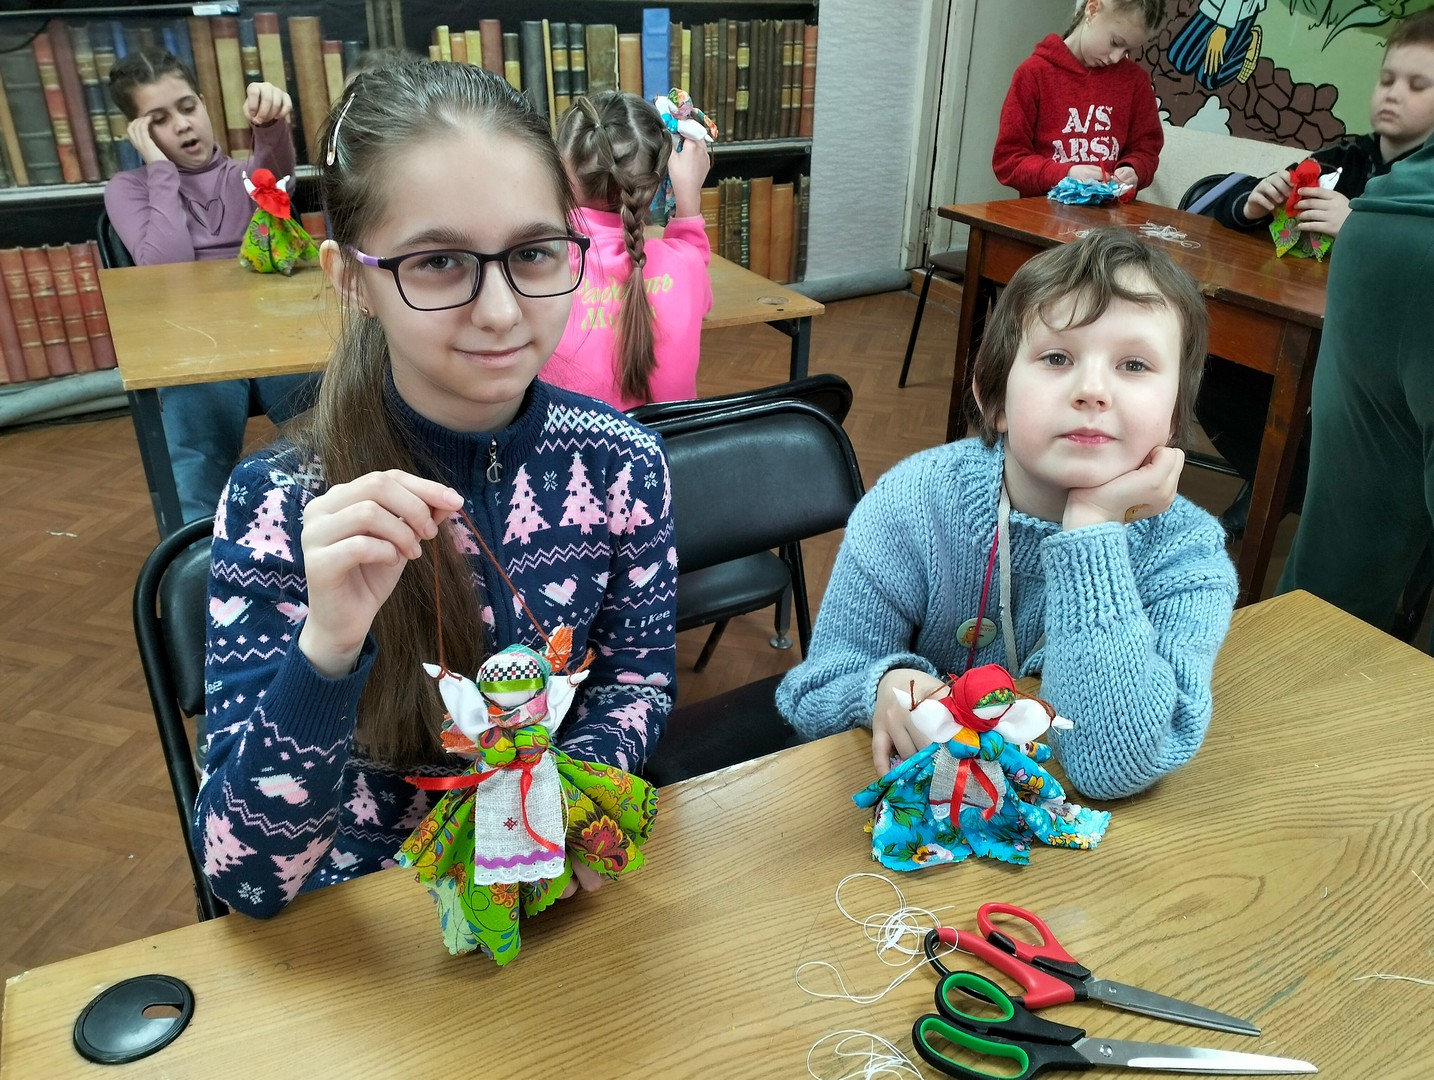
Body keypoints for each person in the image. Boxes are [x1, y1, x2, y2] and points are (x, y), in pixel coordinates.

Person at [193, 60, 677, 919]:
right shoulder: (282, 504)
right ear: (352, 278)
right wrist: (328, 647)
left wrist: (564, 802)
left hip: (554, 900)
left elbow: (634, 684)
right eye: (440, 262)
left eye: (533, 252)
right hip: (377, 926)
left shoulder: (622, 464)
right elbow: (245, 877)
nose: (500, 312)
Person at [777, 228, 1238, 801]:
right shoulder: (915, 504)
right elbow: (812, 691)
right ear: (994, 398)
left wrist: (1093, 528)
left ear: (1174, 414)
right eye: (1057, 357)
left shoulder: (1188, 554)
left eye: (1135, 364)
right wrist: (880, 687)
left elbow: (1113, 766)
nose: (1093, 390)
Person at [1195, 10, 1434, 537]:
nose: (1393, 95)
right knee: (1210, 371)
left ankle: (1286, 486)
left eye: (1418, 86)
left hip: (1379, 359)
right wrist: (1253, 203)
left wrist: (1359, 230)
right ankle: (1286, 481)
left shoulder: (1424, 186)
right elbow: (1240, 204)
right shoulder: (1346, 158)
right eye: (1387, 79)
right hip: (1302, 328)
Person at [104, 47, 320, 524]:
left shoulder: (243, 176)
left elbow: (277, 178)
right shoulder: (128, 188)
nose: (183, 125)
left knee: (332, 411)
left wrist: (270, 126)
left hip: (274, 340)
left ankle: (320, 520)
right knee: (196, 441)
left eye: (187, 108)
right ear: (139, 133)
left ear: (204, 104)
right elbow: (165, 265)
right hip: (195, 350)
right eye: (159, 120)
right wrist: (159, 168)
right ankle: (200, 553)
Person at [1277, 130, 1434, 643]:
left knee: (1337, 560)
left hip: (1384, 221)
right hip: (1387, 223)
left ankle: (1289, 684)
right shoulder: (1349, 155)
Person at [543, 91, 712, 410]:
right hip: (670, 442)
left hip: (573, 445)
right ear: (654, 184)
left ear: (558, 173)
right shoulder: (686, 264)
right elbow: (695, 274)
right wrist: (689, 198)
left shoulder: (537, 268)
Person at [992, 0, 1165, 198]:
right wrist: (1066, 174)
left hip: (1110, 214)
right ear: (1092, 9)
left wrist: (1134, 169)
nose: (1116, 57)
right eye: (1115, 42)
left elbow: (1147, 149)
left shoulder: (1135, 81)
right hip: (1042, 213)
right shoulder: (1033, 74)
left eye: (1127, 51)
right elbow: (1008, 161)